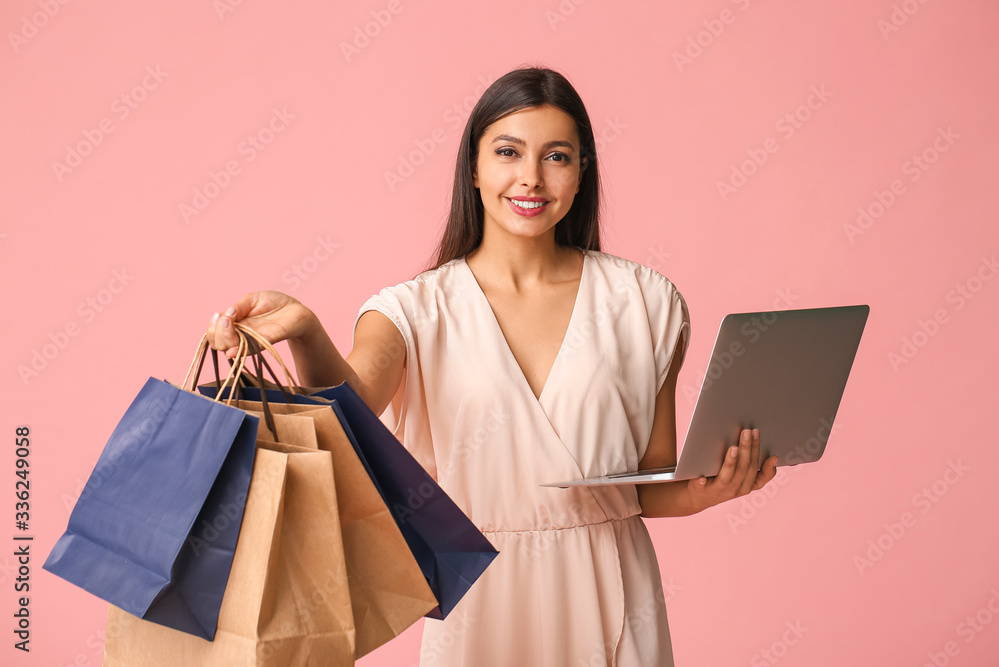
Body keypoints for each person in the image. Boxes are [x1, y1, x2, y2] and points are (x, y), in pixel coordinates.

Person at [206, 65, 778, 667]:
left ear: (581, 173)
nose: (531, 177)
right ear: (473, 168)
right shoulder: (413, 310)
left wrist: (711, 491)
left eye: (557, 156)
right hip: (480, 599)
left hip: (614, 591)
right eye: (508, 151)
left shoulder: (646, 301)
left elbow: (647, 486)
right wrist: (304, 329)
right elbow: (351, 397)